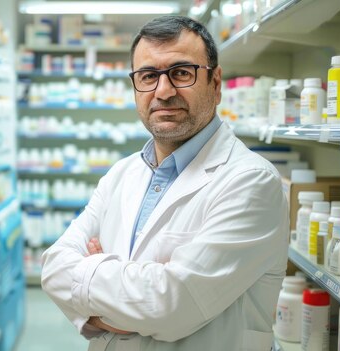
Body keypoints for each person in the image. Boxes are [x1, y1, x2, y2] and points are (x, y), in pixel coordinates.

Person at [41, 15, 289, 351]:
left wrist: (89, 282)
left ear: (215, 84)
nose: (163, 91)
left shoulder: (250, 181)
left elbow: (170, 306)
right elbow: (53, 267)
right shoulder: (121, 174)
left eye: (181, 73)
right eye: (148, 76)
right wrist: (140, 286)